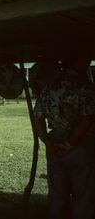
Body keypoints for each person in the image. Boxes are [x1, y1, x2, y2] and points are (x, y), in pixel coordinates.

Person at [33, 53, 95, 219]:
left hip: (54, 143)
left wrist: (47, 141)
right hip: (80, 144)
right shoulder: (85, 86)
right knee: (83, 196)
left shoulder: (49, 86)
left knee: (57, 195)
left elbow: (38, 117)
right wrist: (70, 143)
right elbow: (88, 118)